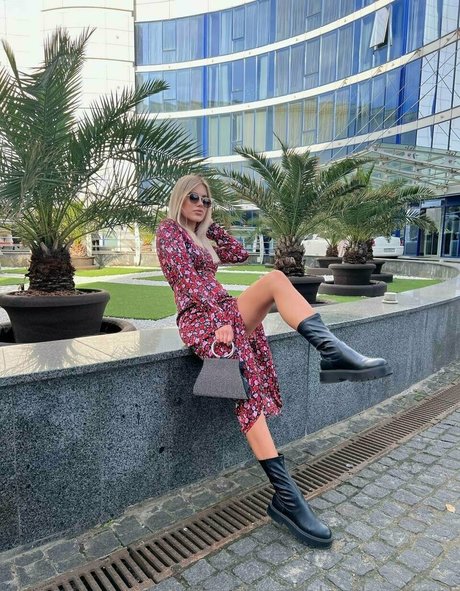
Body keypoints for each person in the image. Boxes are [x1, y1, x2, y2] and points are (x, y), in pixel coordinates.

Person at [156, 175, 391, 548]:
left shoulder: (199, 235)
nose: (201, 204)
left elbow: (238, 253)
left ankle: (333, 354)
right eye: (194, 198)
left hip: (224, 312)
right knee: (247, 390)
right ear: (179, 198)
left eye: (207, 200)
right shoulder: (169, 232)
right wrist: (218, 322)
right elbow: (187, 282)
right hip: (204, 318)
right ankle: (288, 497)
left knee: (277, 283)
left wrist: (209, 226)